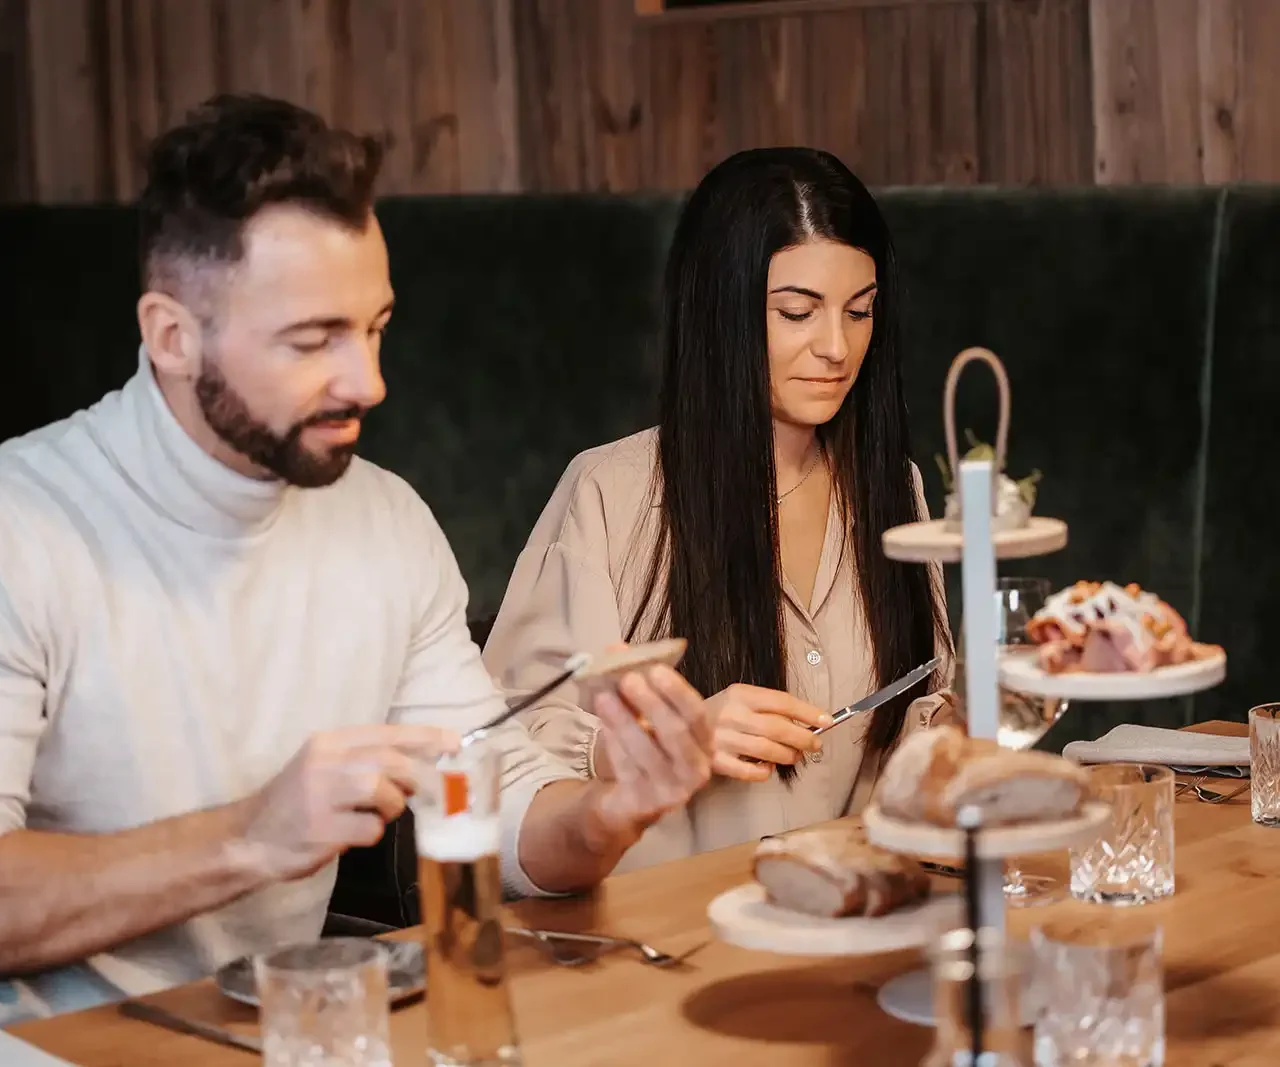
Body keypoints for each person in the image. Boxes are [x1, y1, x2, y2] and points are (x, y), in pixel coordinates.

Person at [0, 94, 712, 1018]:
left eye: (375, 327)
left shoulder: (385, 521)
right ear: (172, 336)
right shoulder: (23, 524)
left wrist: (603, 814)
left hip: (306, 1028)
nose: (368, 381)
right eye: (313, 340)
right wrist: (250, 838)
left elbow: (491, 798)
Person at [484, 147, 954, 870]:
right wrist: (666, 741)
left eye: (860, 311)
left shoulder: (896, 488)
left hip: (861, 909)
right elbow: (508, 746)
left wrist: (967, 716)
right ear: (720, 312)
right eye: (797, 312)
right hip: (670, 924)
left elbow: (921, 716)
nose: (837, 347)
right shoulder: (613, 492)